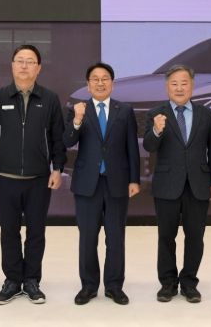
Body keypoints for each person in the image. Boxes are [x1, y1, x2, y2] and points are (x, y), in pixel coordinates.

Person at [0, 44, 66, 305]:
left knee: (36, 232)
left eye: (30, 61)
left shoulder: (49, 98)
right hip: (8, 178)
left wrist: (57, 168)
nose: (24, 65)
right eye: (20, 60)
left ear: (38, 68)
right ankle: (13, 280)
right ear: (12, 65)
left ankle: (32, 280)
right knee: (9, 232)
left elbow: (57, 137)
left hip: (39, 179)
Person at [63, 62, 140, 306]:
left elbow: (132, 147)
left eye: (105, 78)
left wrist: (134, 179)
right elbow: (67, 141)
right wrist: (76, 120)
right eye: (95, 79)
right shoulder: (79, 109)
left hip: (117, 182)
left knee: (115, 237)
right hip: (87, 184)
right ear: (88, 85)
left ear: (112, 84)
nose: (100, 83)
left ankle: (114, 286)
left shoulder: (124, 110)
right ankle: (88, 286)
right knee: (88, 238)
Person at [142, 64, 211, 304]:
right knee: (166, 236)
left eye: (184, 83)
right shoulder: (156, 113)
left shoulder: (205, 114)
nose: (179, 88)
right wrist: (156, 130)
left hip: (198, 183)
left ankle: (189, 283)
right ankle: (167, 284)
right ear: (167, 87)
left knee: (195, 236)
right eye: (174, 83)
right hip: (167, 184)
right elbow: (149, 146)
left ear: (192, 86)